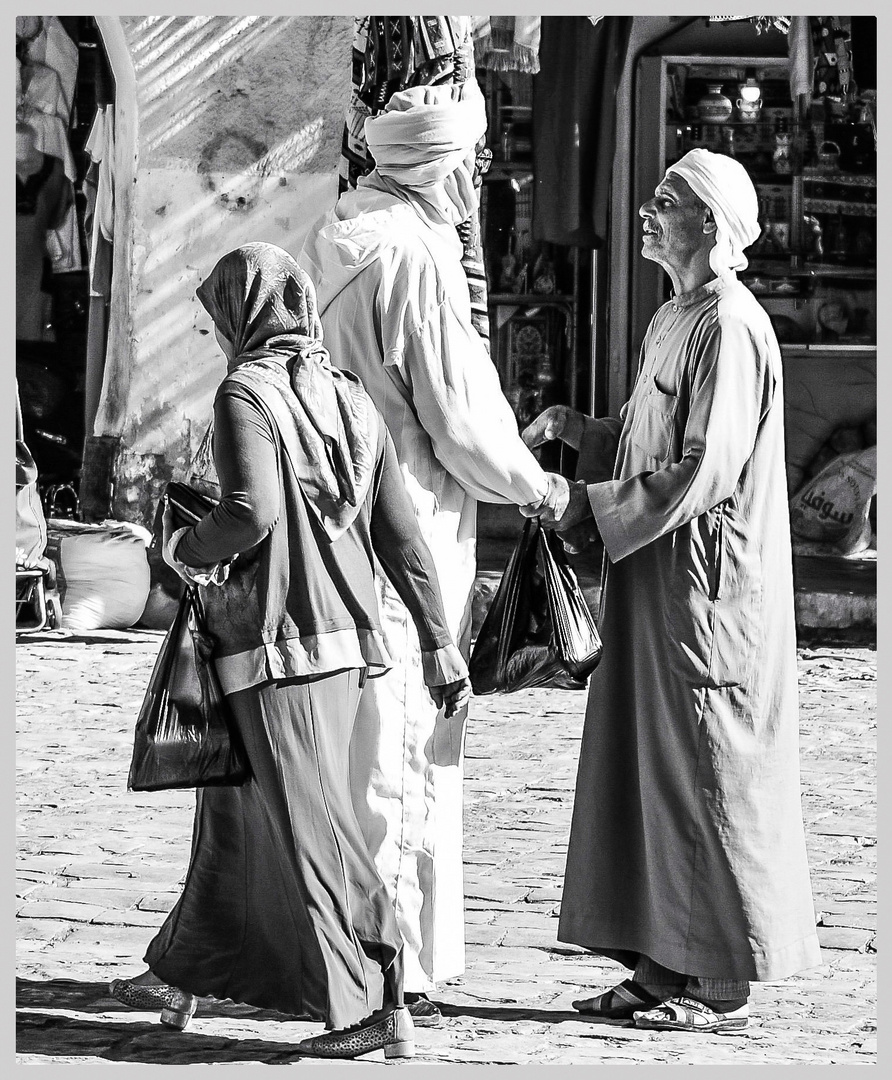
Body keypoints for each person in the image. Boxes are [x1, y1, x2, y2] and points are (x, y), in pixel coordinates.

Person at [109, 243, 471, 1060]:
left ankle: (373, 994)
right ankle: (186, 969)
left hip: (272, 645)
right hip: (343, 645)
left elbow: (249, 513)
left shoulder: (248, 392)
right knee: (240, 817)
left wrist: (181, 546)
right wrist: (439, 639)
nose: (215, 335)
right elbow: (401, 535)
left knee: (317, 827)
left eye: (217, 319)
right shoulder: (350, 400)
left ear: (244, 313)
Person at [521, 149, 822, 1033]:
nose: (648, 213)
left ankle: (717, 976)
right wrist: (583, 432)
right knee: (651, 765)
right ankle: (662, 960)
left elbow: (702, 468)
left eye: (667, 202)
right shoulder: (675, 318)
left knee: (703, 770)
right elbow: (649, 436)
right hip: (654, 585)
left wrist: (586, 506)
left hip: (704, 595)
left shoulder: (730, 324)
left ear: (710, 226)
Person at [300, 79, 564, 1022]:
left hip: (338, 519)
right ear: (444, 167)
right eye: (473, 161)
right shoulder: (412, 254)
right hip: (408, 517)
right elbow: (457, 417)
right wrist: (538, 488)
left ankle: (353, 949)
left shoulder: (337, 232)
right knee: (407, 739)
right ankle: (394, 970)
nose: (481, 175)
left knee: (362, 738)